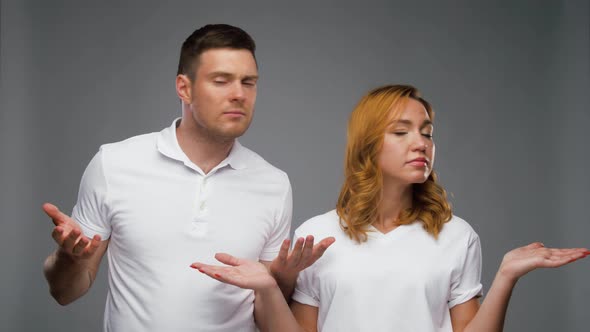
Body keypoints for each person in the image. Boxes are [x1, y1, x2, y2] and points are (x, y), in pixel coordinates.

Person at [192, 84, 590, 332]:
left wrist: (505, 276)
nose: (421, 143)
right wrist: (267, 287)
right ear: (367, 145)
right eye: (401, 132)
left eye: (427, 133)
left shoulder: (456, 235)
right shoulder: (317, 237)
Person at [42, 24, 333, 332]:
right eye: (221, 81)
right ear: (184, 87)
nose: (239, 94)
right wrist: (68, 259)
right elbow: (65, 292)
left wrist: (280, 282)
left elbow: (267, 314)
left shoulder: (273, 184)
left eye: (249, 82)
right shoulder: (114, 164)